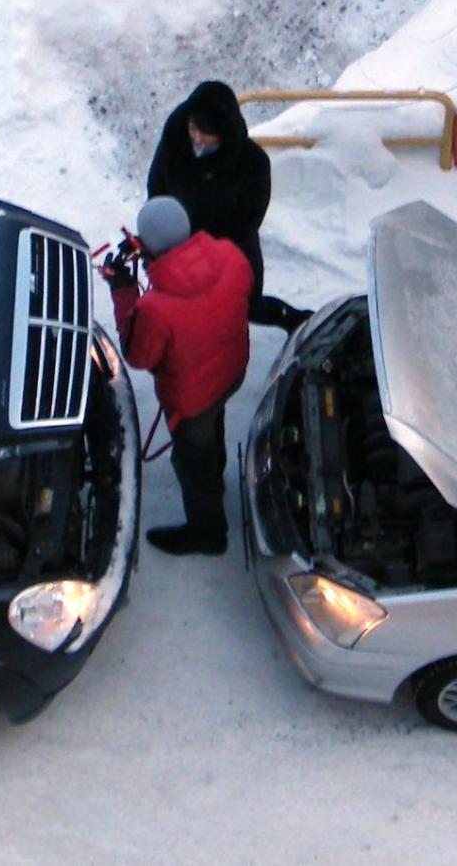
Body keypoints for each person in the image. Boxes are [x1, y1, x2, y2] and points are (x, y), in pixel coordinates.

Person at [103, 196, 252, 556]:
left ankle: (208, 533)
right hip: (230, 371)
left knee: (191, 461)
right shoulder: (230, 256)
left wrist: (124, 294)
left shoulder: (155, 309)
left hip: (192, 400)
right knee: (214, 426)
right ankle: (216, 472)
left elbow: (138, 355)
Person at [147, 80, 312, 333]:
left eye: (207, 133)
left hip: (230, 250)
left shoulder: (252, 163)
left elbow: (248, 219)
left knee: (243, 304)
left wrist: (209, 253)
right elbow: (156, 190)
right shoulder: (174, 145)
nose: (197, 138)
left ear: (224, 132)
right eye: (194, 129)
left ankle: (296, 322)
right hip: (178, 249)